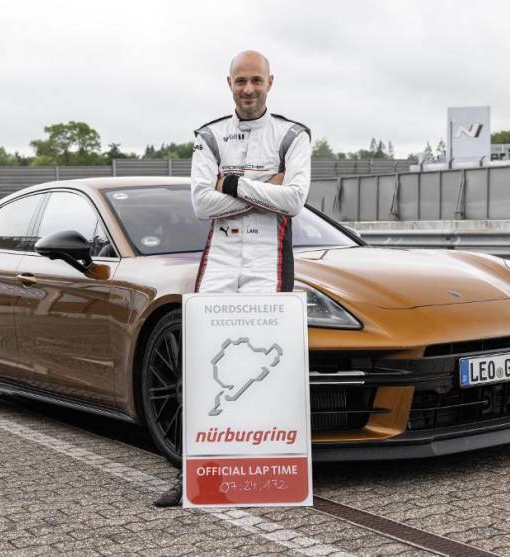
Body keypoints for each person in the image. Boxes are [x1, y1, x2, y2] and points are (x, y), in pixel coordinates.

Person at [153, 50, 311, 507]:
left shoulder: (293, 135)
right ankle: (195, 474)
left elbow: (295, 199)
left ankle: (266, 472)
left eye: (256, 81)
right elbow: (202, 205)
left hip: (268, 258)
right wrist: (267, 189)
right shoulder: (209, 136)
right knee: (205, 365)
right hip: (220, 257)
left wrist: (233, 184)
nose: (248, 89)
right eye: (240, 81)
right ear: (229, 84)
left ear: (270, 82)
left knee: (268, 364)